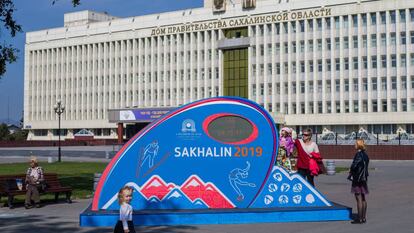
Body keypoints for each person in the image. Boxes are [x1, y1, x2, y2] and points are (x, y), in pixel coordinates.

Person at [348, 139, 369, 224]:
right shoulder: (365, 155)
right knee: (363, 198)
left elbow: (354, 165)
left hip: (357, 179)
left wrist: (350, 169)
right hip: (364, 179)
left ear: (359, 145)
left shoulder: (358, 154)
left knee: (358, 198)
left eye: (355, 144)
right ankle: (363, 218)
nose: (354, 145)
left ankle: (359, 218)